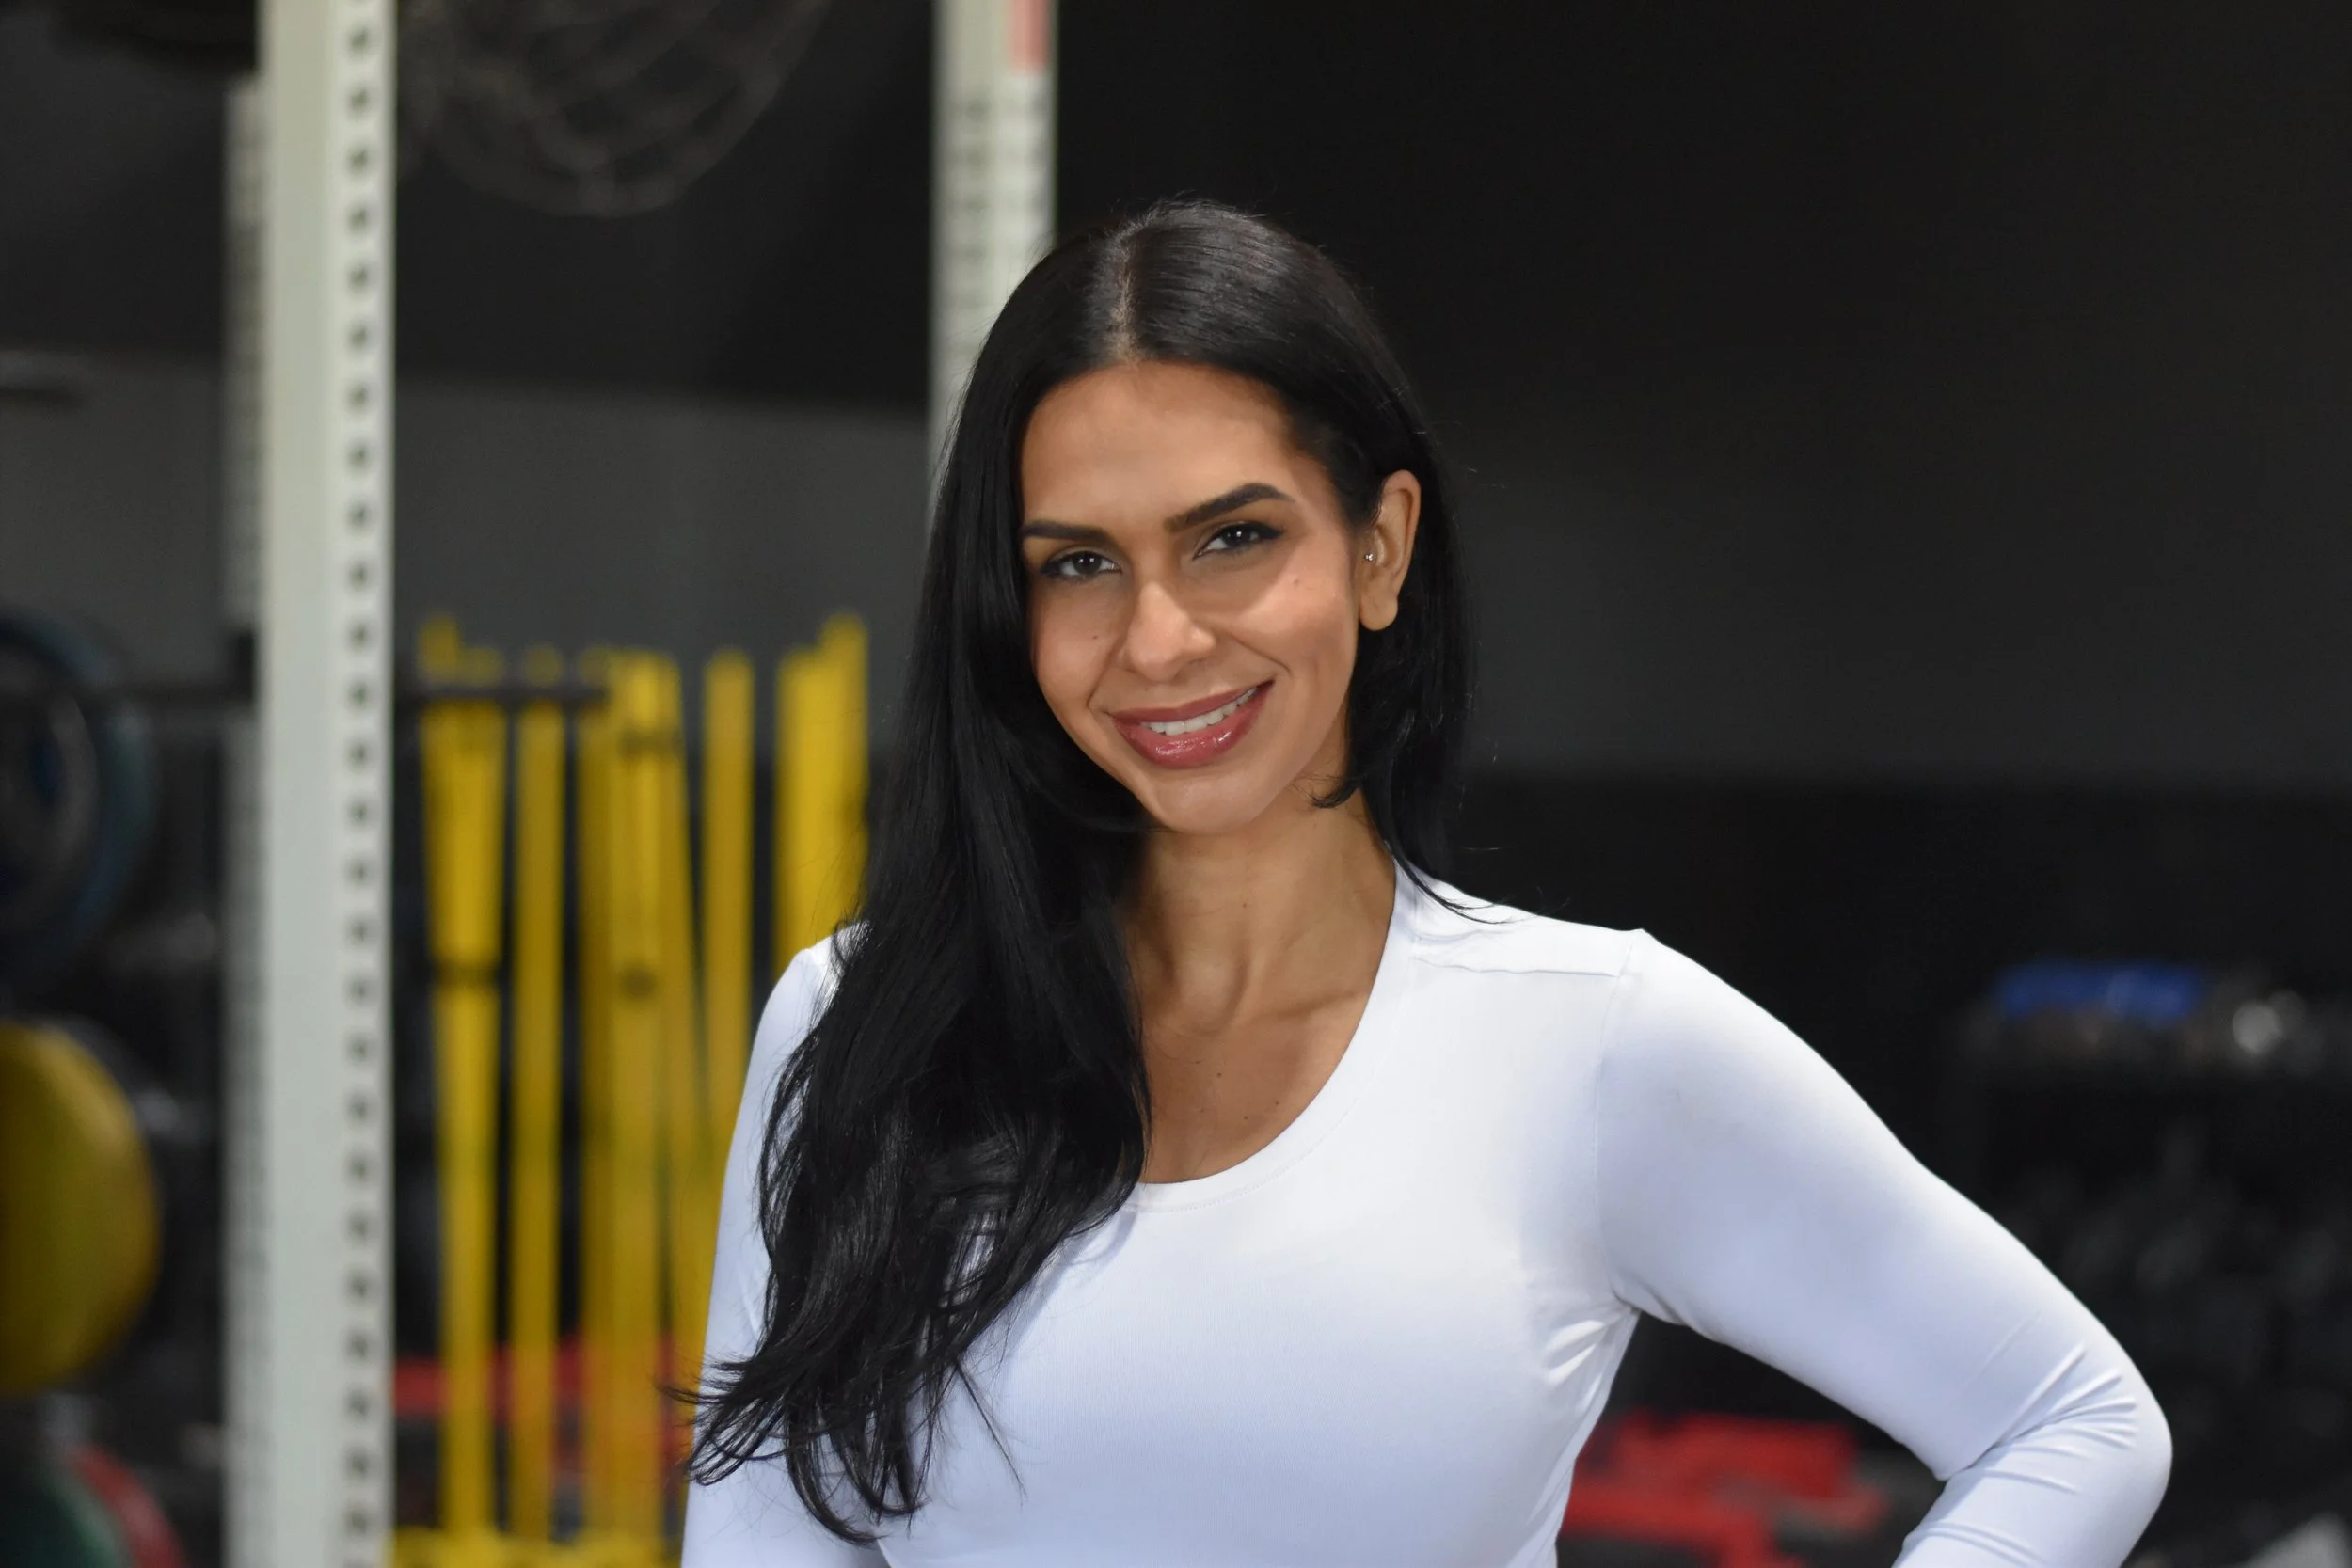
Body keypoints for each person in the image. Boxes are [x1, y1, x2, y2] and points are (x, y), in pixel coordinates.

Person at [683, 200, 2169, 1568]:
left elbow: (2079, 1423)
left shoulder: (1586, 1042)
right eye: (1079, 564)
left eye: (1233, 539)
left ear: (1381, 548)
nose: (1157, 640)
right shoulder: (864, 1023)